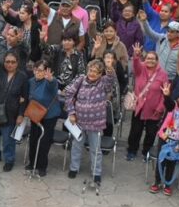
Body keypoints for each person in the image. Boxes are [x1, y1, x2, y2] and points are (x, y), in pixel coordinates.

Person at [64, 59, 117, 188]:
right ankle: (74, 168)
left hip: (96, 122)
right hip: (79, 121)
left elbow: (110, 80)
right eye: (91, 70)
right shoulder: (80, 79)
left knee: (96, 149)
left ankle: (96, 172)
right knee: (76, 145)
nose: (92, 73)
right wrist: (71, 112)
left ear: (100, 74)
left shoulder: (103, 82)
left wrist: (109, 68)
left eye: (96, 72)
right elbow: (69, 94)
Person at [0, 36, 28, 171]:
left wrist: (21, 114)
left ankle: (9, 159)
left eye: (13, 62)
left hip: (10, 113)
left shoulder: (22, 77)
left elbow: (24, 97)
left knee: (8, 140)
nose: (9, 64)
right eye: (7, 61)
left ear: (17, 63)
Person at [25, 59, 63, 177]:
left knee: (44, 141)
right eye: (35, 69)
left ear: (47, 71)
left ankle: (42, 166)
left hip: (49, 115)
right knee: (33, 139)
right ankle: (32, 163)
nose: (37, 72)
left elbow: (53, 85)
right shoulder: (31, 81)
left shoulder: (50, 81)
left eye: (40, 70)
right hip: (35, 113)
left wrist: (50, 79)